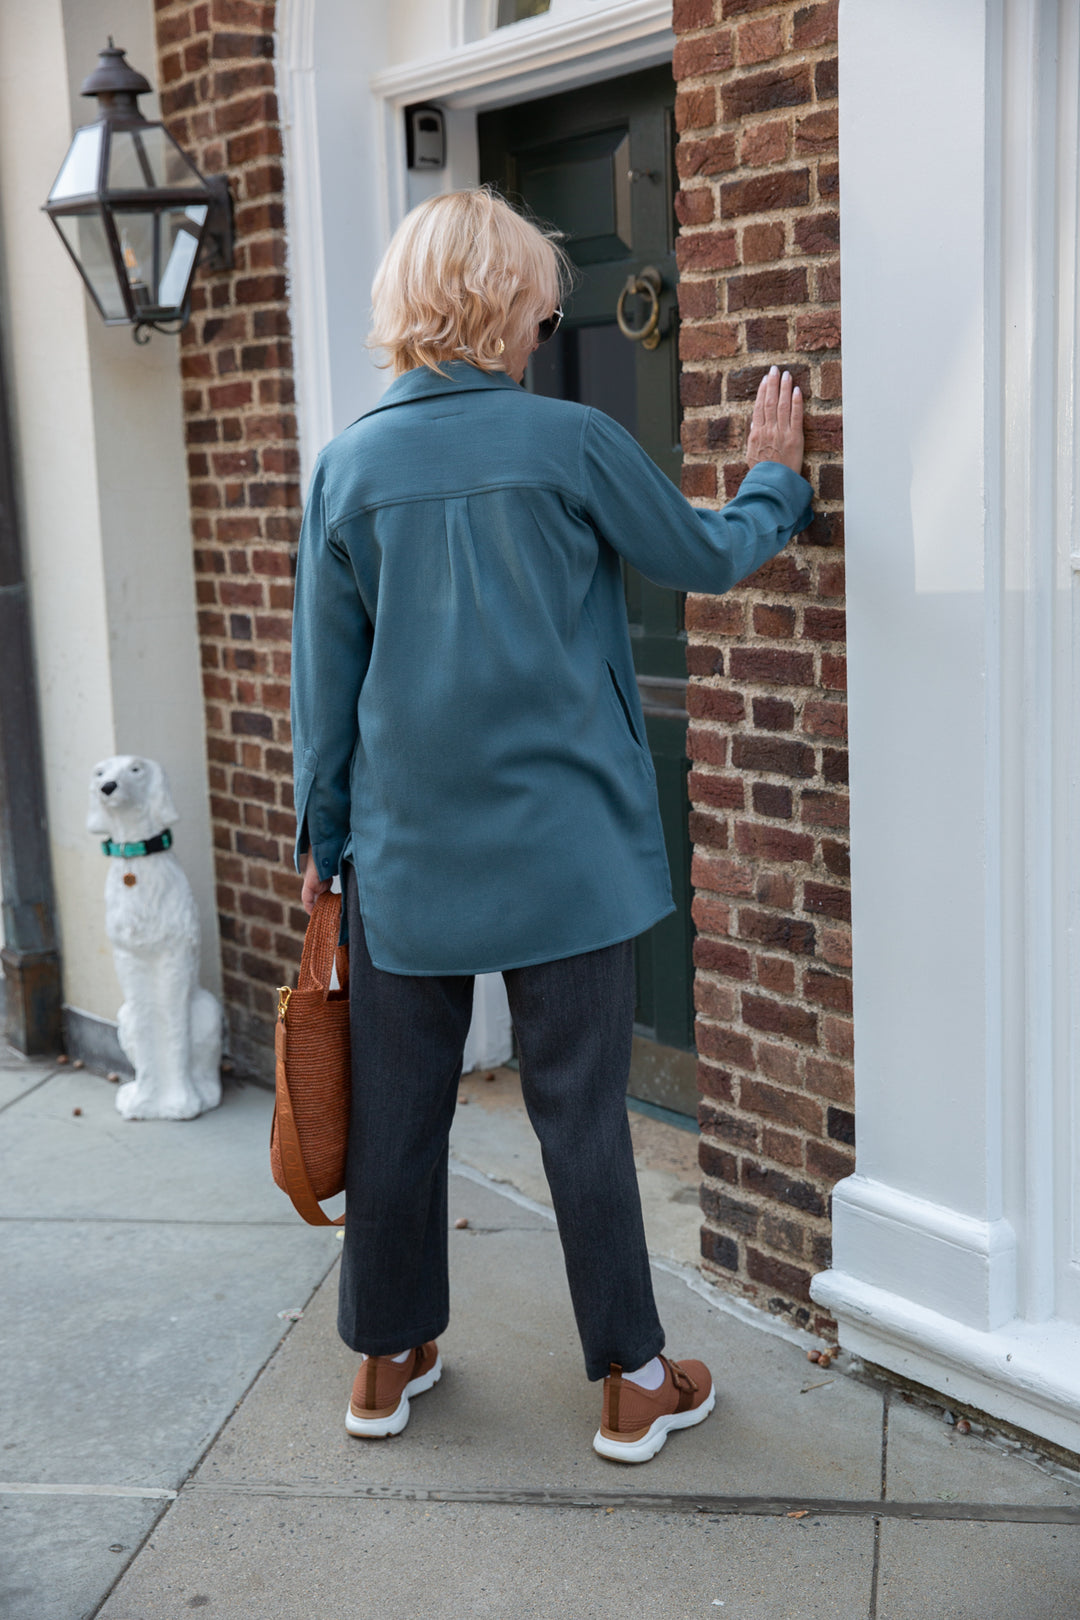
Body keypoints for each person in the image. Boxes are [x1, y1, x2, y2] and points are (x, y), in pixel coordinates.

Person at [291, 187, 810, 1465]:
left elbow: (328, 691)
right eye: (534, 299)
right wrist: (777, 485)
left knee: (400, 1112)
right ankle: (635, 1383)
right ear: (496, 301)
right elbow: (702, 554)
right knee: (579, 1114)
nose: (543, 322)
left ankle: (381, 1361)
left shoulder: (347, 467)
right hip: (568, 853)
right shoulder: (569, 441)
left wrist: (327, 843)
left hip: (407, 857)